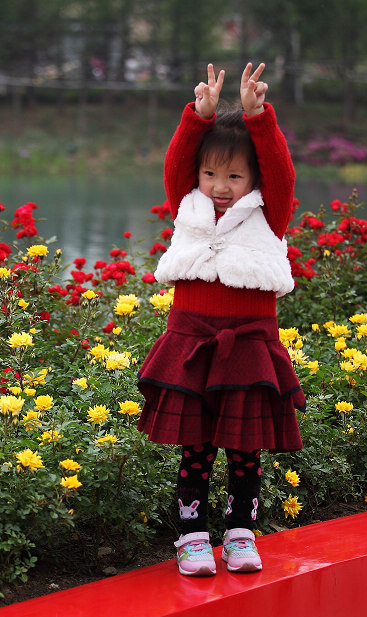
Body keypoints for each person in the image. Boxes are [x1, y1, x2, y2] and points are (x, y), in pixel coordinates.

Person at [138, 63, 305, 576]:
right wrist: (199, 117)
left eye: (234, 176)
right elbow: (176, 164)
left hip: (248, 346)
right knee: (197, 449)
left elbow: (282, 170)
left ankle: (240, 534)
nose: (220, 186)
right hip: (191, 342)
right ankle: (191, 538)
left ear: (253, 179)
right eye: (211, 174)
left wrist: (258, 117)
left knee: (243, 449)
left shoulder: (267, 213)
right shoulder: (185, 205)